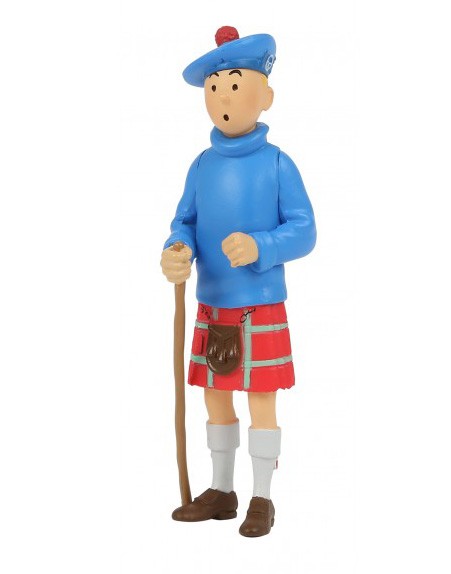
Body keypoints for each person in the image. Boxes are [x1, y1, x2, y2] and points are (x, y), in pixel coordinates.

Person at [160, 26, 316, 537]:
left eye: (233, 84)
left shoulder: (277, 163)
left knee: (261, 397)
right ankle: (222, 490)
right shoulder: (201, 166)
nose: (223, 97)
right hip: (213, 302)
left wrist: (262, 246)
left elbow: (304, 229)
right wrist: (177, 249)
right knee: (214, 395)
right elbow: (183, 221)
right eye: (215, 87)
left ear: (265, 97)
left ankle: (262, 497)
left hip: (259, 302)